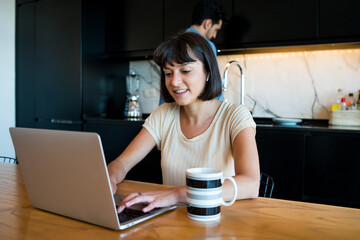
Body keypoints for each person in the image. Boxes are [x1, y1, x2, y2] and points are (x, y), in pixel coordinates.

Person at [108, 32, 260, 214]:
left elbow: (251, 184)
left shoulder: (235, 116)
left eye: (186, 71)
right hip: (168, 221)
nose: (174, 81)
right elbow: (122, 164)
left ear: (208, 72)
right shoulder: (163, 115)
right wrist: (109, 177)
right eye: (168, 73)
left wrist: (178, 194)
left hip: (215, 221)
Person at [159, 0, 228, 104]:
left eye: (186, 71)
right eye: (216, 29)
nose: (214, 35)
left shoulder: (172, 44)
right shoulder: (206, 45)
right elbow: (214, 86)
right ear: (208, 23)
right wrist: (220, 109)